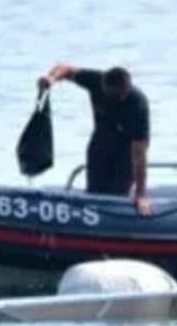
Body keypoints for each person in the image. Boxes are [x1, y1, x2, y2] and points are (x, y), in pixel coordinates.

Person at [38, 63, 152, 215]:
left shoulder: (138, 104)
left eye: (116, 97)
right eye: (108, 95)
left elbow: (139, 152)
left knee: (115, 195)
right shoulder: (95, 80)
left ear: (126, 90)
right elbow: (66, 69)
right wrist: (51, 79)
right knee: (94, 192)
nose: (111, 100)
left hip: (126, 150)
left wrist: (141, 194)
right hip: (101, 142)